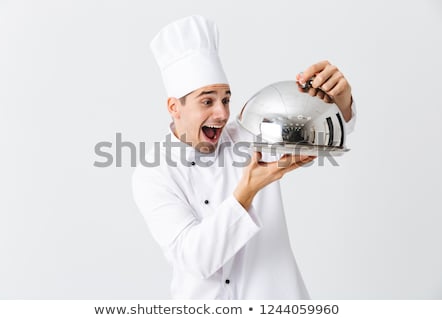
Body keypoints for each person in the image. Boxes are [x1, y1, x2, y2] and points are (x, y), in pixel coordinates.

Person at [132, 15, 356, 299]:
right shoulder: (153, 174)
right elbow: (197, 260)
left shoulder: (250, 132)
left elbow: (317, 135)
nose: (223, 114)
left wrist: (341, 100)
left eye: (225, 99)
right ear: (174, 107)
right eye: (207, 101)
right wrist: (246, 192)